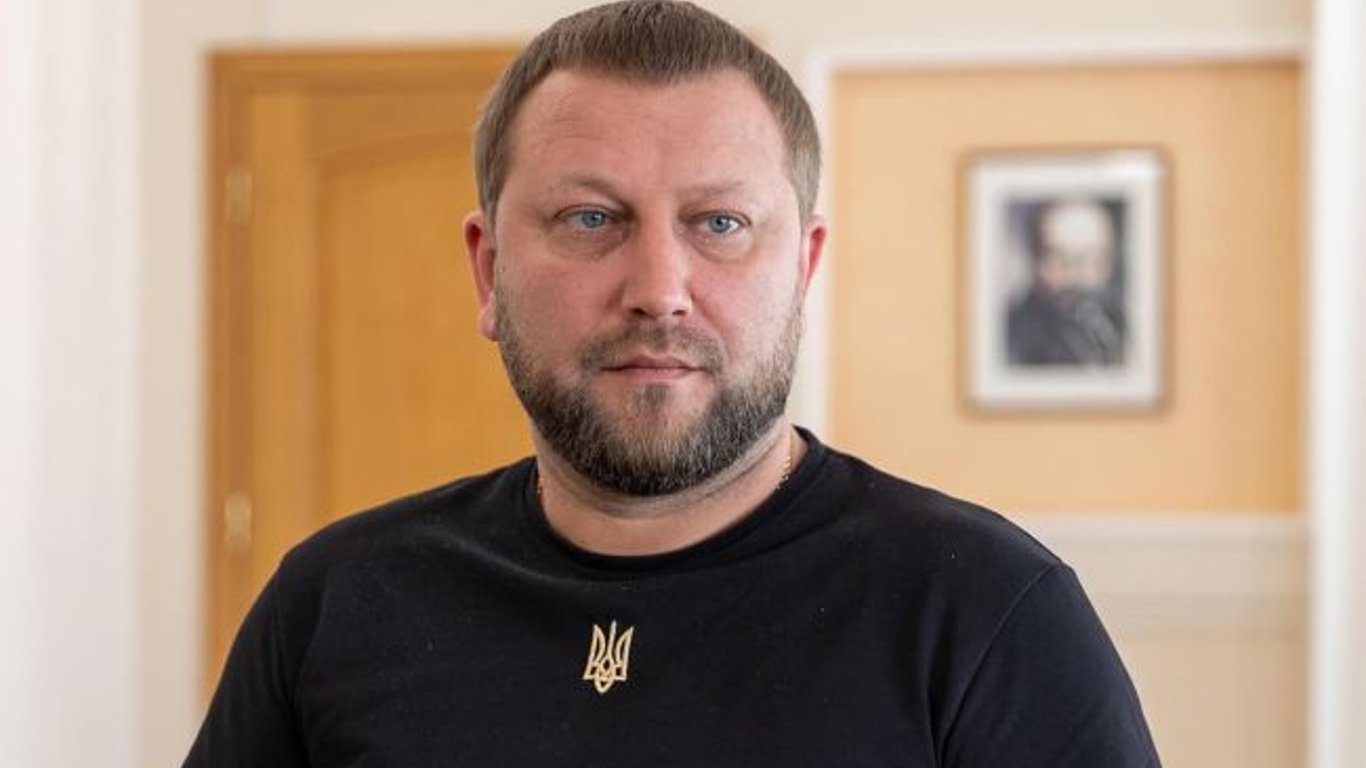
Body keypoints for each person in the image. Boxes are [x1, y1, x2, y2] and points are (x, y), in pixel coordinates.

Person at [185, 2, 1161, 765]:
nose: (658, 289)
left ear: (803, 268)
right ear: (488, 271)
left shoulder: (986, 615)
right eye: (590, 219)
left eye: (719, 224)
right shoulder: (338, 602)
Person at [1007, 197, 1128, 367]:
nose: (1076, 276)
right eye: (1060, 259)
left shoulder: (1122, 327)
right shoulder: (1010, 339)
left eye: (1093, 259)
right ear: (1035, 259)